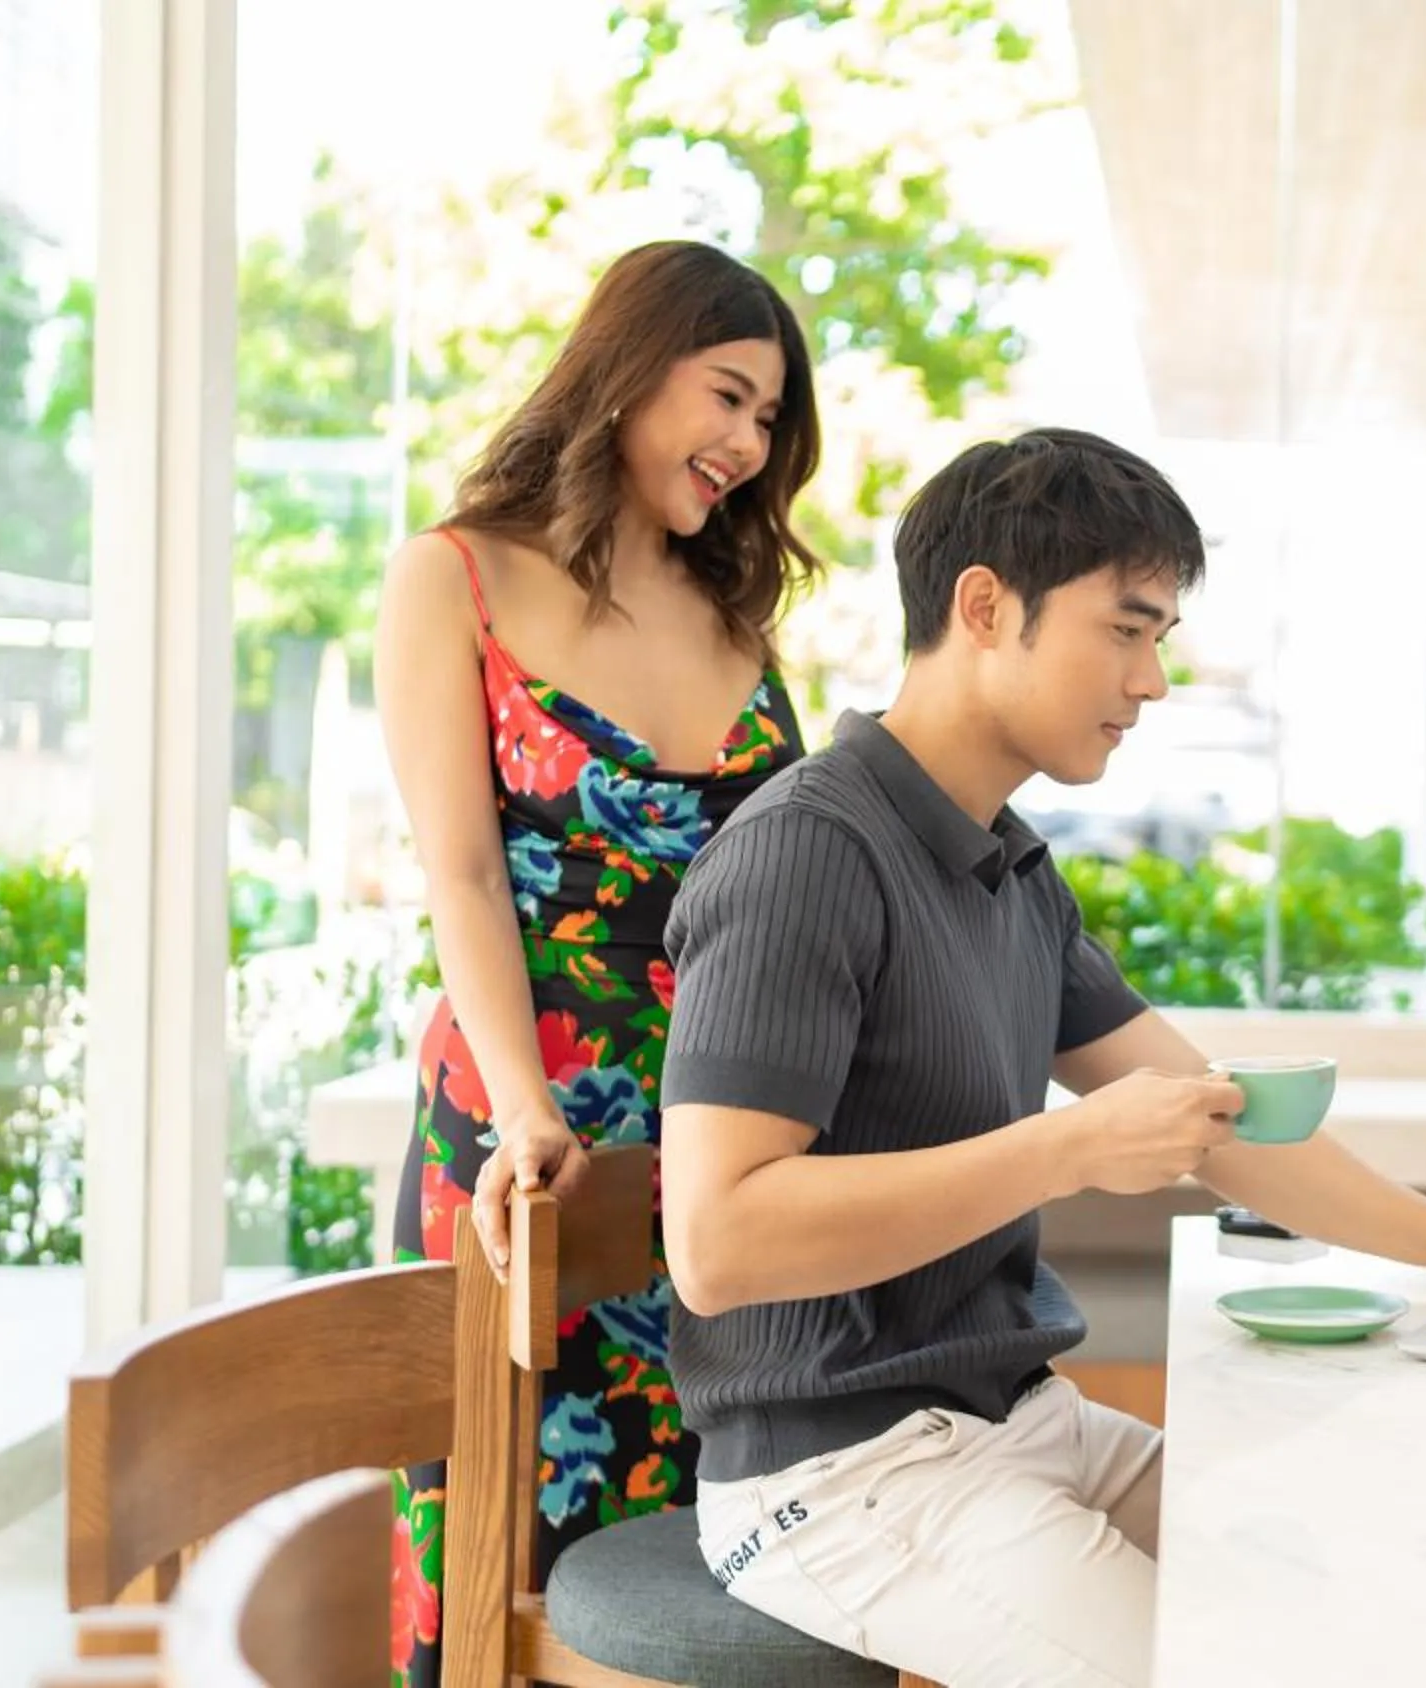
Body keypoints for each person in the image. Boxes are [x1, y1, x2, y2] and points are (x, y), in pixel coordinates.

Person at [654, 427, 1426, 1688]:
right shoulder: (806, 851)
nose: (1149, 680)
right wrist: (1070, 1146)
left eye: (1161, 639)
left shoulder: (1008, 866)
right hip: (837, 1474)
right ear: (986, 606)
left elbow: (1230, 1126)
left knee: (1381, 1590)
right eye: (1127, 628)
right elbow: (719, 1241)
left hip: (1021, 1424)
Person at [370, 238, 823, 1688]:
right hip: (528, 1119)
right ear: (631, 367)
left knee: (713, 1538)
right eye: (731, 399)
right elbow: (458, 875)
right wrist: (526, 1109)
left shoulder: (737, 614)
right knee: (503, 1517)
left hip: (725, 1137)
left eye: (770, 425)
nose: (750, 450)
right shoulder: (452, 578)